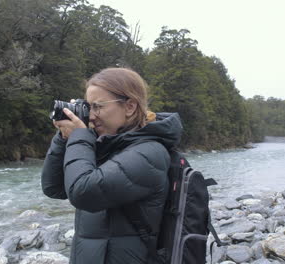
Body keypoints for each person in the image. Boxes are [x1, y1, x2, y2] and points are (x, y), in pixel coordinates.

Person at [41, 68, 182, 264]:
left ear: (130, 107)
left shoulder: (150, 153)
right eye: (88, 107)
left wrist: (79, 137)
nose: (91, 116)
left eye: (98, 106)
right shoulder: (107, 146)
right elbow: (53, 187)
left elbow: (83, 192)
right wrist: (64, 138)